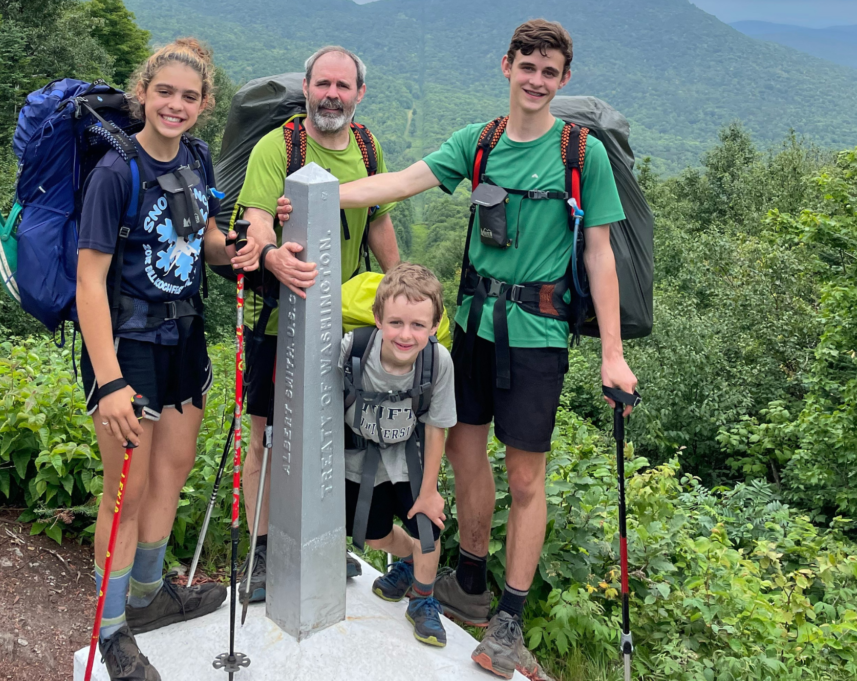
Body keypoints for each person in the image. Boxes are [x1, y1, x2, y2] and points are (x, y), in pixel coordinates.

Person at [277, 19, 638, 681]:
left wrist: (612, 352)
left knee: (527, 479)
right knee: (467, 459)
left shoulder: (580, 153)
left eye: (548, 72)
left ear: (562, 80)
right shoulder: (481, 142)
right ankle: (468, 579)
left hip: (538, 335)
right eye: (526, 66)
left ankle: (509, 620)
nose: (535, 80)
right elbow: (401, 183)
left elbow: (600, 253)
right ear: (506, 67)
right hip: (472, 325)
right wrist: (313, 195)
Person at [76, 39, 238, 681]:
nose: (175, 104)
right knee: (127, 493)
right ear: (143, 93)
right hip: (125, 349)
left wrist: (243, 248)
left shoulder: (198, 158)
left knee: (172, 470)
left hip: (185, 339)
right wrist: (111, 381)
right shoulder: (116, 171)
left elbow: (209, 239)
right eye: (164, 92)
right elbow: (89, 282)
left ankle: (147, 595)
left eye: (189, 96)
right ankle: (111, 629)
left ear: (204, 106)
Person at [228, 45, 401, 603]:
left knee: (336, 437)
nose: (332, 95)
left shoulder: (368, 146)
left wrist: (402, 284)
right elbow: (256, 217)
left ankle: (321, 543)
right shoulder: (277, 146)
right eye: (323, 84)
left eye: (342, 86)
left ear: (359, 94)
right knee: (267, 438)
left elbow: (378, 221)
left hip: (346, 320)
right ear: (306, 88)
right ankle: (261, 555)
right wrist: (271, 253)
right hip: (281, 318)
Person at [341, 263, 455, 647]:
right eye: (396, 323)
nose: (406, 335)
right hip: (359, 459)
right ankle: (407, 562)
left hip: (410, 456)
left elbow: (438, 426)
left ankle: (423, 599)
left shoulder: (438, 362)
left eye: (418, 326)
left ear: (434, 326)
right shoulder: (353, 350)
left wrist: (429, 490)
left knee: (428, 525)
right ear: (378, 319)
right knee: (373, 538)